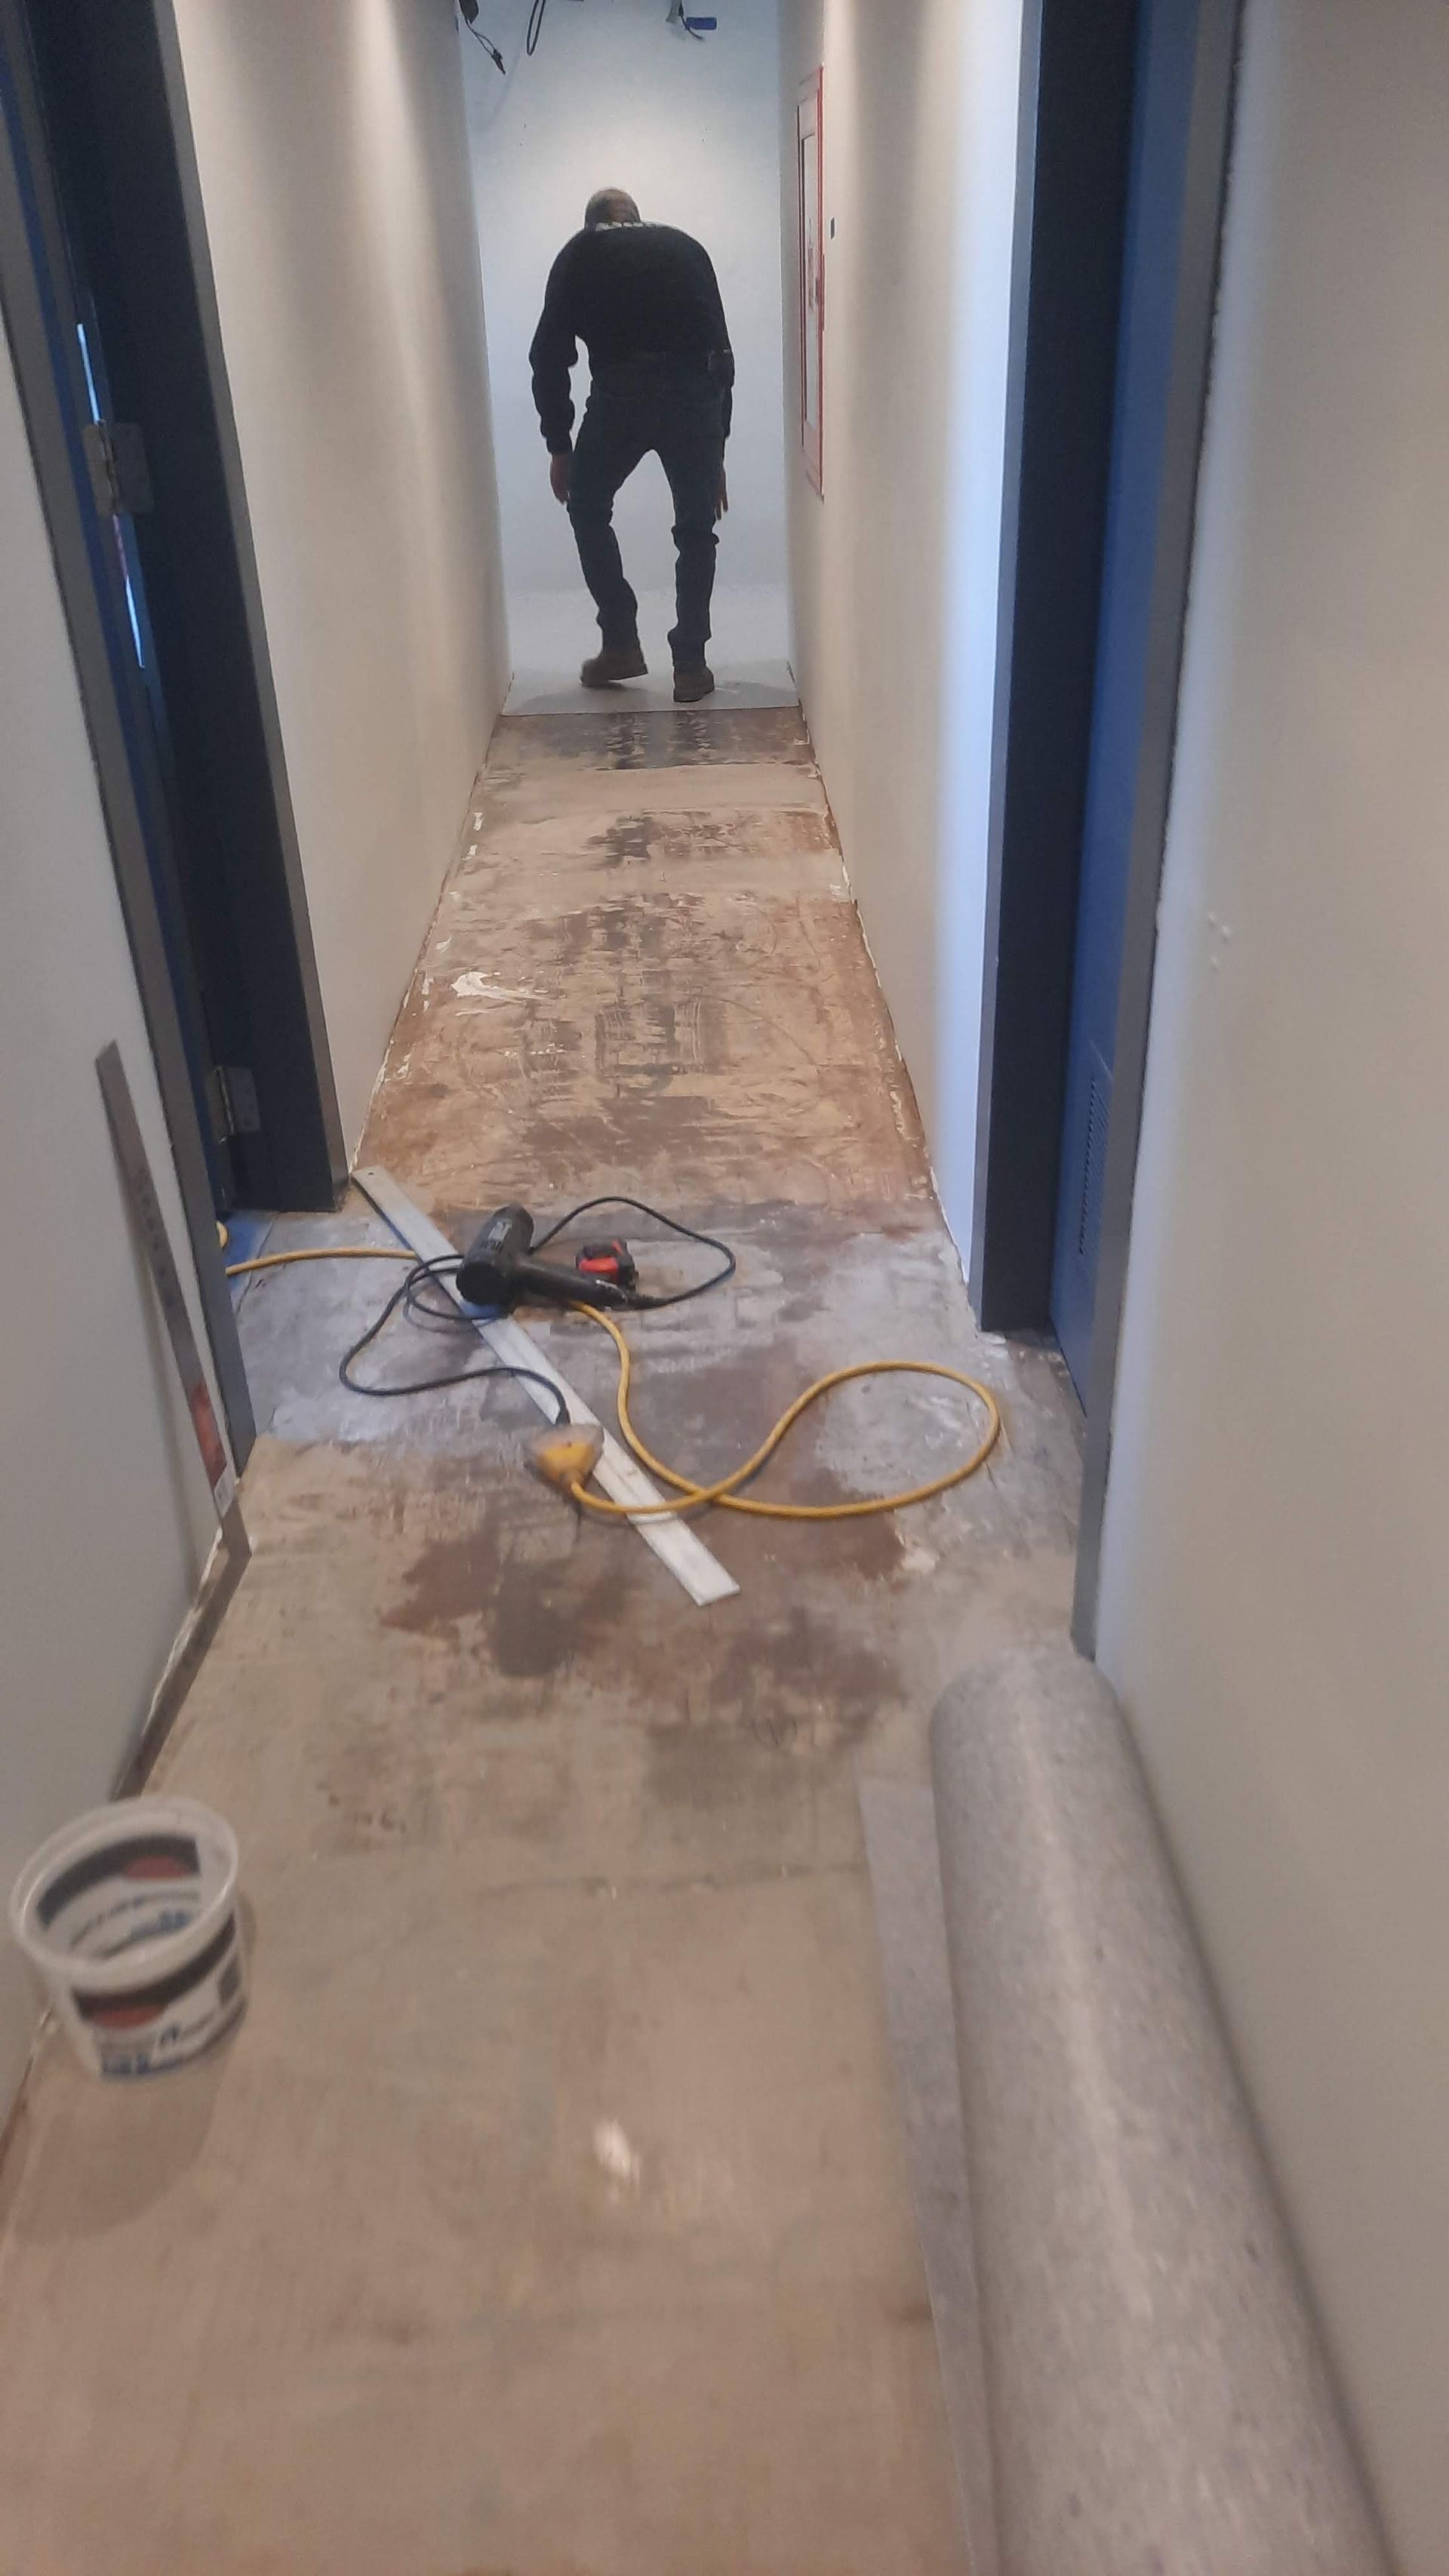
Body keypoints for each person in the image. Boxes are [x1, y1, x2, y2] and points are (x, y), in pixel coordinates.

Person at [529, 188, 733, 705]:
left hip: (620, 396)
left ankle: (620, 641)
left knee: (588, 507)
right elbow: (721, 353)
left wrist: (560, 445)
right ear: (637, 218)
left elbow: (548, 356)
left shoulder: (579, 253)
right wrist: (719, 448)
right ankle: (690, 665)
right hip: (692, 398)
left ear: (593, 222)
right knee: (696, 527)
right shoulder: (686, 248)